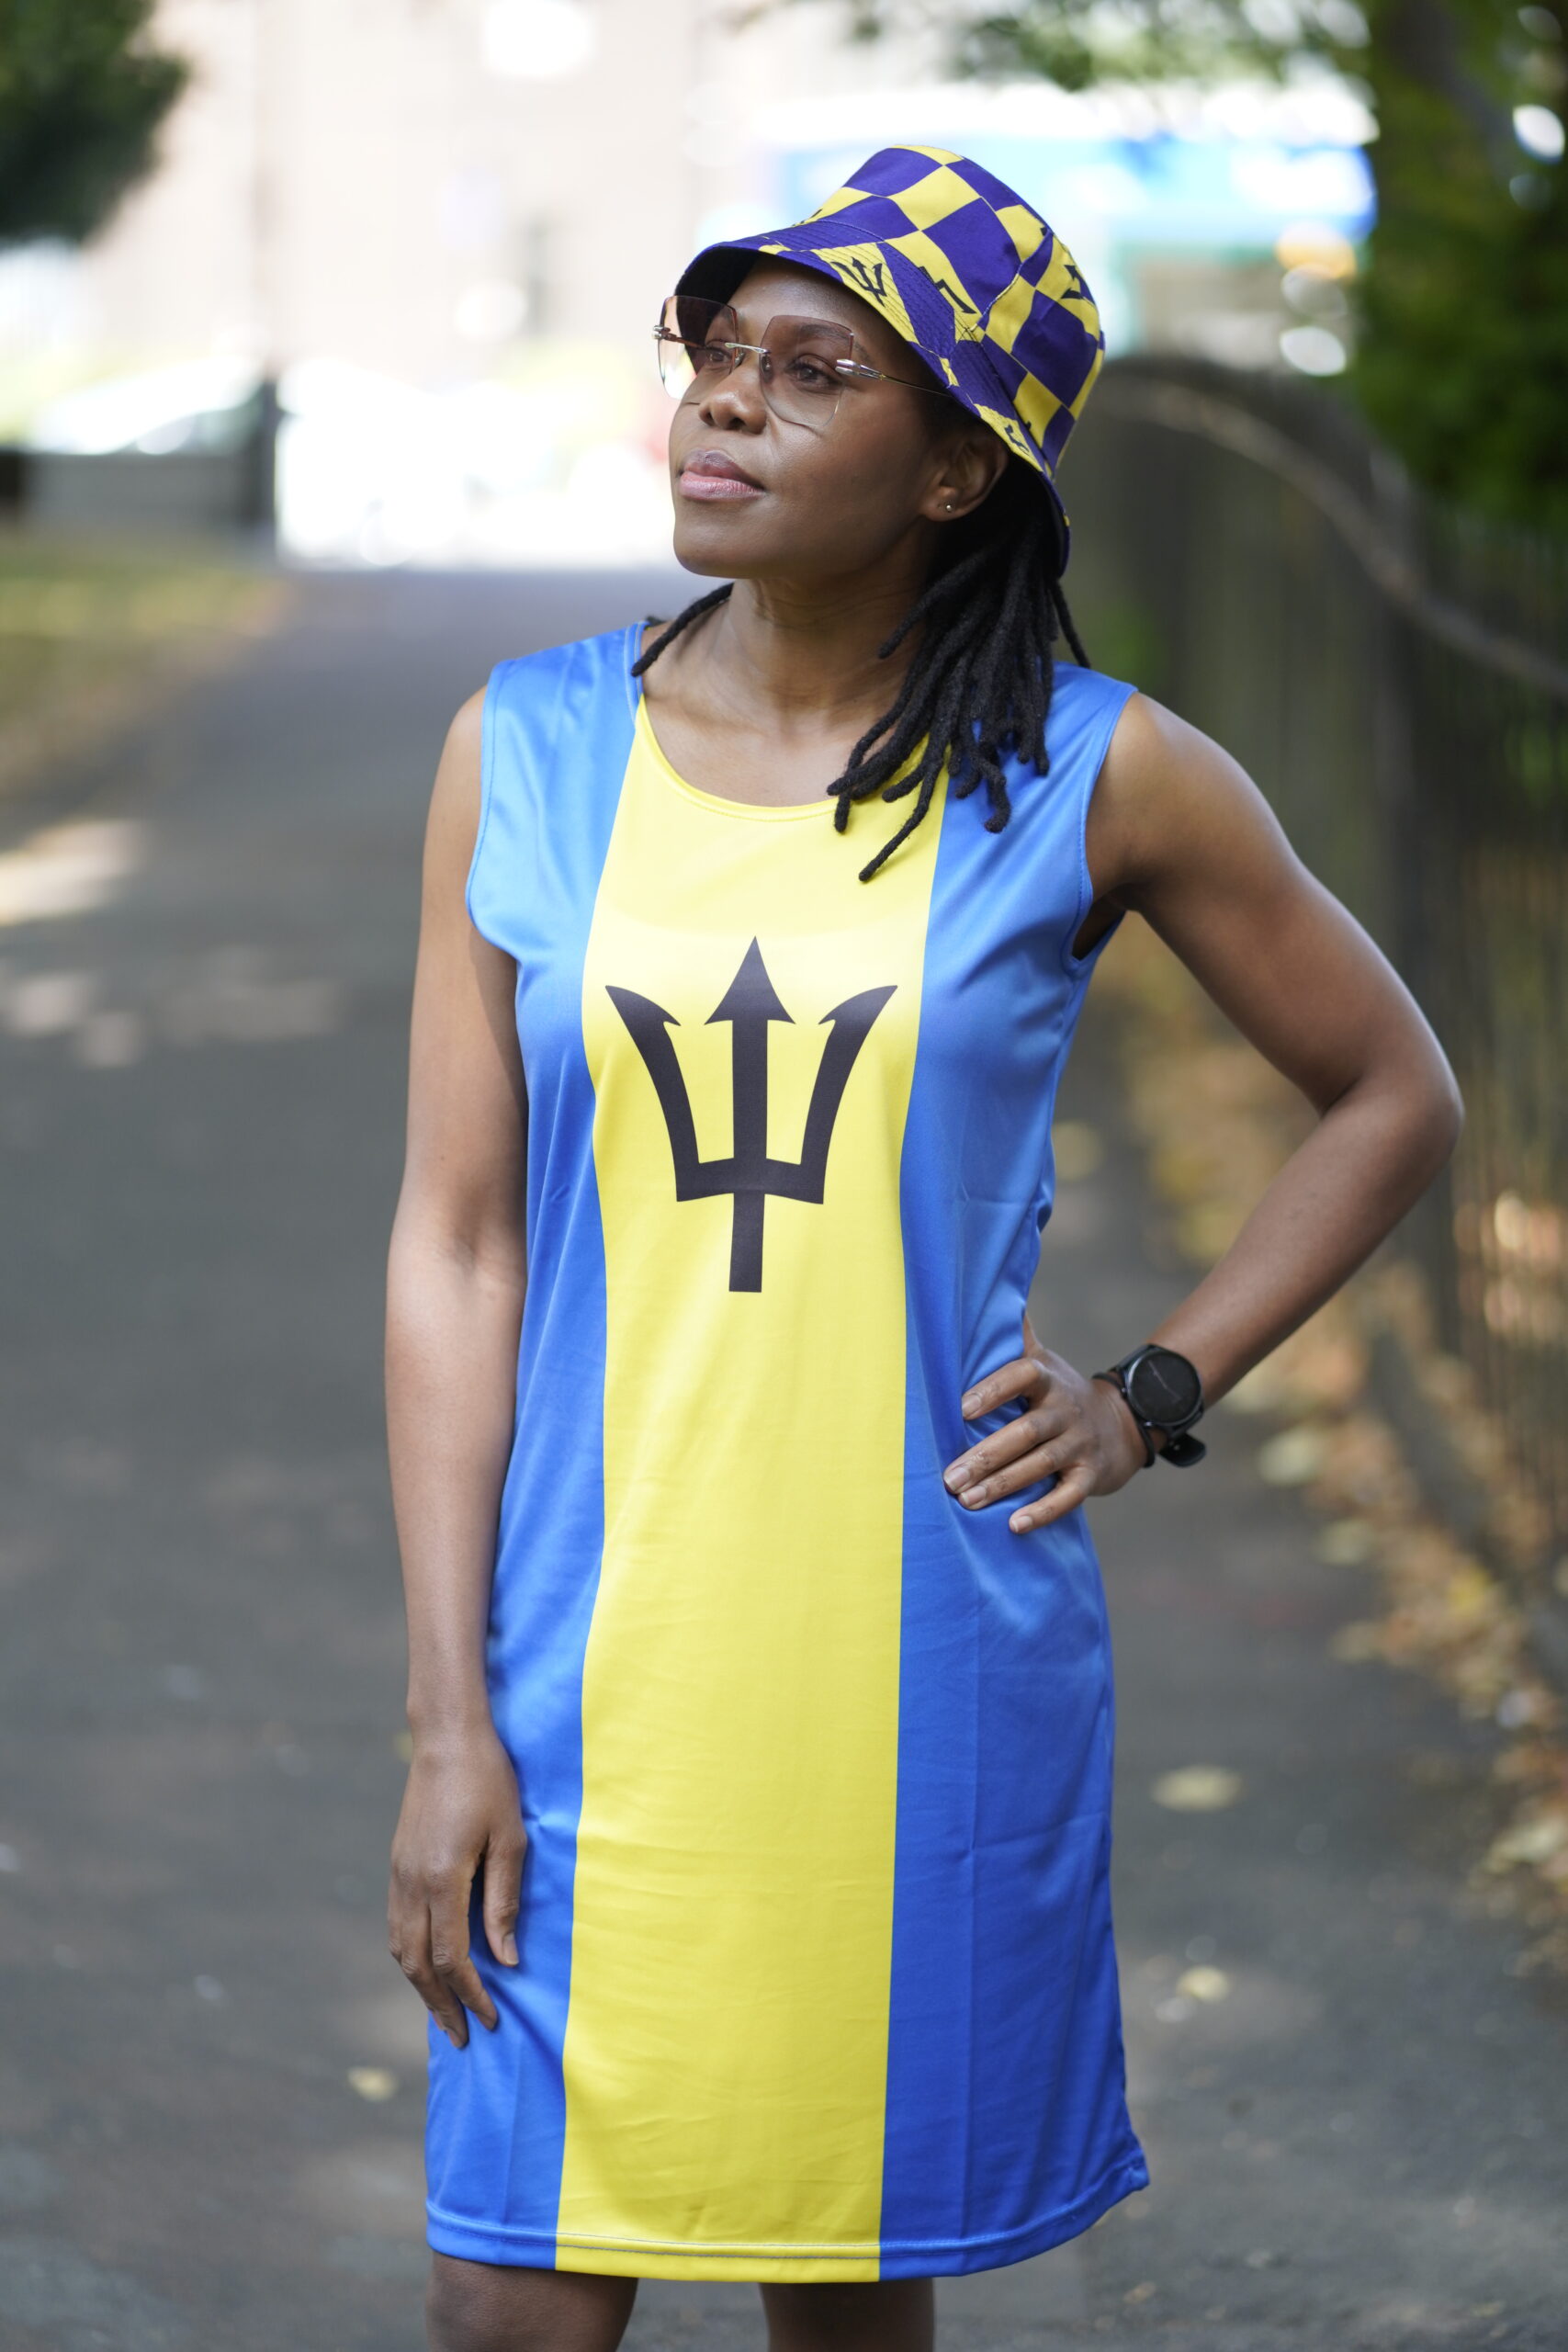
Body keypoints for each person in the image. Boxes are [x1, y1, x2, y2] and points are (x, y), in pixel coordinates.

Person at [384, 147, 1461, 2352]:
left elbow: (1390, 1092)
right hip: (581, 1666)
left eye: (811, 369)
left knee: (847, 2284)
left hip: (921, 1674)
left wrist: (1146, 1395)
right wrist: (440, 1717)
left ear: (958, 466)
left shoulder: (1095, 772)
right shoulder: (525, 747)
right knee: (507, 2303)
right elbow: (459, 1245)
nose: (724, 400)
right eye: (714, 352)